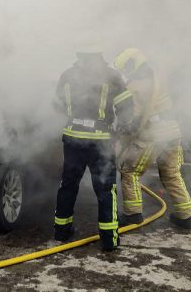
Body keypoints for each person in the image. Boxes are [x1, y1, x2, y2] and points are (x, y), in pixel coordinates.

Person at [53, 45, 135, 251]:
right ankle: (109, 239)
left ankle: (61, 231)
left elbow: (57, 105)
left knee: (68, 185)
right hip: (101, 141)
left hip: (73, 138)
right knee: (106, 189)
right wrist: (124, 125)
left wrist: (74, 117)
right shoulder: (111, 76)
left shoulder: (67, 75)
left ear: (78, 54)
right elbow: (126, 107)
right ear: (99, 54)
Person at [113, 48, 191, 229]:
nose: (125, 73)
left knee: (129, 171)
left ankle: (133, 214)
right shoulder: (159, 75)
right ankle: (185, 216)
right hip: (172, 131)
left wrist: (121, 135)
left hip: (153, 135)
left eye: (126, 69)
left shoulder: (135, 87)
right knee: (171, 174)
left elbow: (134, 120)